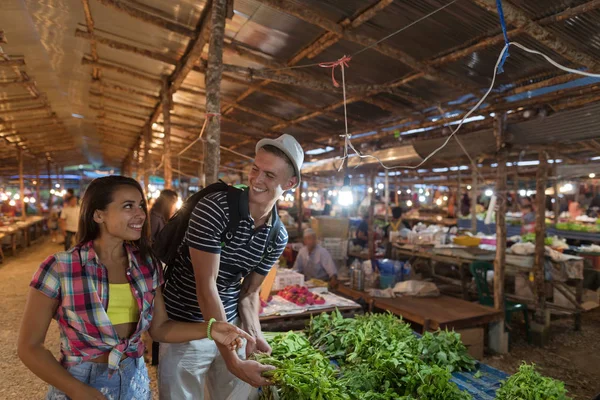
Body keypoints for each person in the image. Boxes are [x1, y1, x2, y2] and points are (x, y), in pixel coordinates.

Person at [17, 176, 251, 400]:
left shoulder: (146, 265)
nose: (141, 214)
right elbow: (29, 347)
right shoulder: (60, 268)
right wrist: (76, 390)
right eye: (128, 206)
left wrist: (211, 329)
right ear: (99, 215)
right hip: (80, 381)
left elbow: (160, 329)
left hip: (133, 380)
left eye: (140, 205)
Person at [159, 134, 303, 399]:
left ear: (290, 183)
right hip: (185, 326)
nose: (257, 180)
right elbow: (206, 286)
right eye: (255, 169)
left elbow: (248, 293)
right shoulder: (214, 209)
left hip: (230, 325)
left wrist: (255, 335)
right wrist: (233, 360)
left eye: (270, 175)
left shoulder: (277, 236)